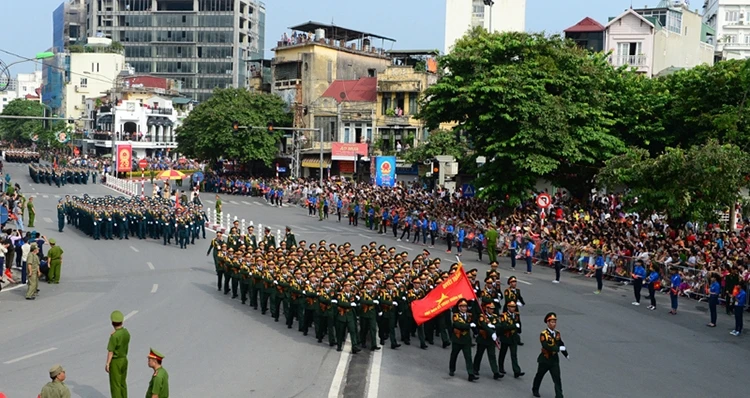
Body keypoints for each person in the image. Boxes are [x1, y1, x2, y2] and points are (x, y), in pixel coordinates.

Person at [532, 312, 567, 398]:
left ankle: (559, 395)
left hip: (554, 359)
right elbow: (546, 346)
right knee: (540, 375)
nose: (553, 324)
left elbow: (560, 343)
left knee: (557, 378)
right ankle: (535, 389)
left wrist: (565, 353)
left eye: (555, 322)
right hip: (545, 358)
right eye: (551, 322)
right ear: (547, 323)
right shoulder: (544, 334)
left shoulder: (557, 333)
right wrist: (558, 349)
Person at [449, 298, 477, 381]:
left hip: (466, 340)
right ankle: (452, 369)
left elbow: (474, 323)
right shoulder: (455, 315)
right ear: (459, 307)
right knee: (454, 355)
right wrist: (469, 325)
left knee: (468, 357)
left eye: (465, 306)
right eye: (462, 307)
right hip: (457, 339)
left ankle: (471, 374)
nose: (464, 308)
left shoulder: (469, 315)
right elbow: (458, 325)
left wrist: (476, 332)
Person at [106, 310, 131, 398]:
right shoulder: (126, 333)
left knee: (115, 385)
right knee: (122, 383)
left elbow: (111, 351)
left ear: (112, 323)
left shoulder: (114, 336)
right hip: (124, 359)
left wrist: (108, 363)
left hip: (116, 361)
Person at [498, 301, 524, 378]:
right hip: (506, 337)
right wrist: (514, 326)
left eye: (514, 307)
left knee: (514, 355)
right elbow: (504, 326)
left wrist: (519, 330)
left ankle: (517, 371)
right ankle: (500, 367)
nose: (513, 308)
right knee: (503, 353)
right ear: (508, 307)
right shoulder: (504, 316)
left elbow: (518, 323)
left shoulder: (516, 315)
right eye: (511, 307)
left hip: (513, 338)